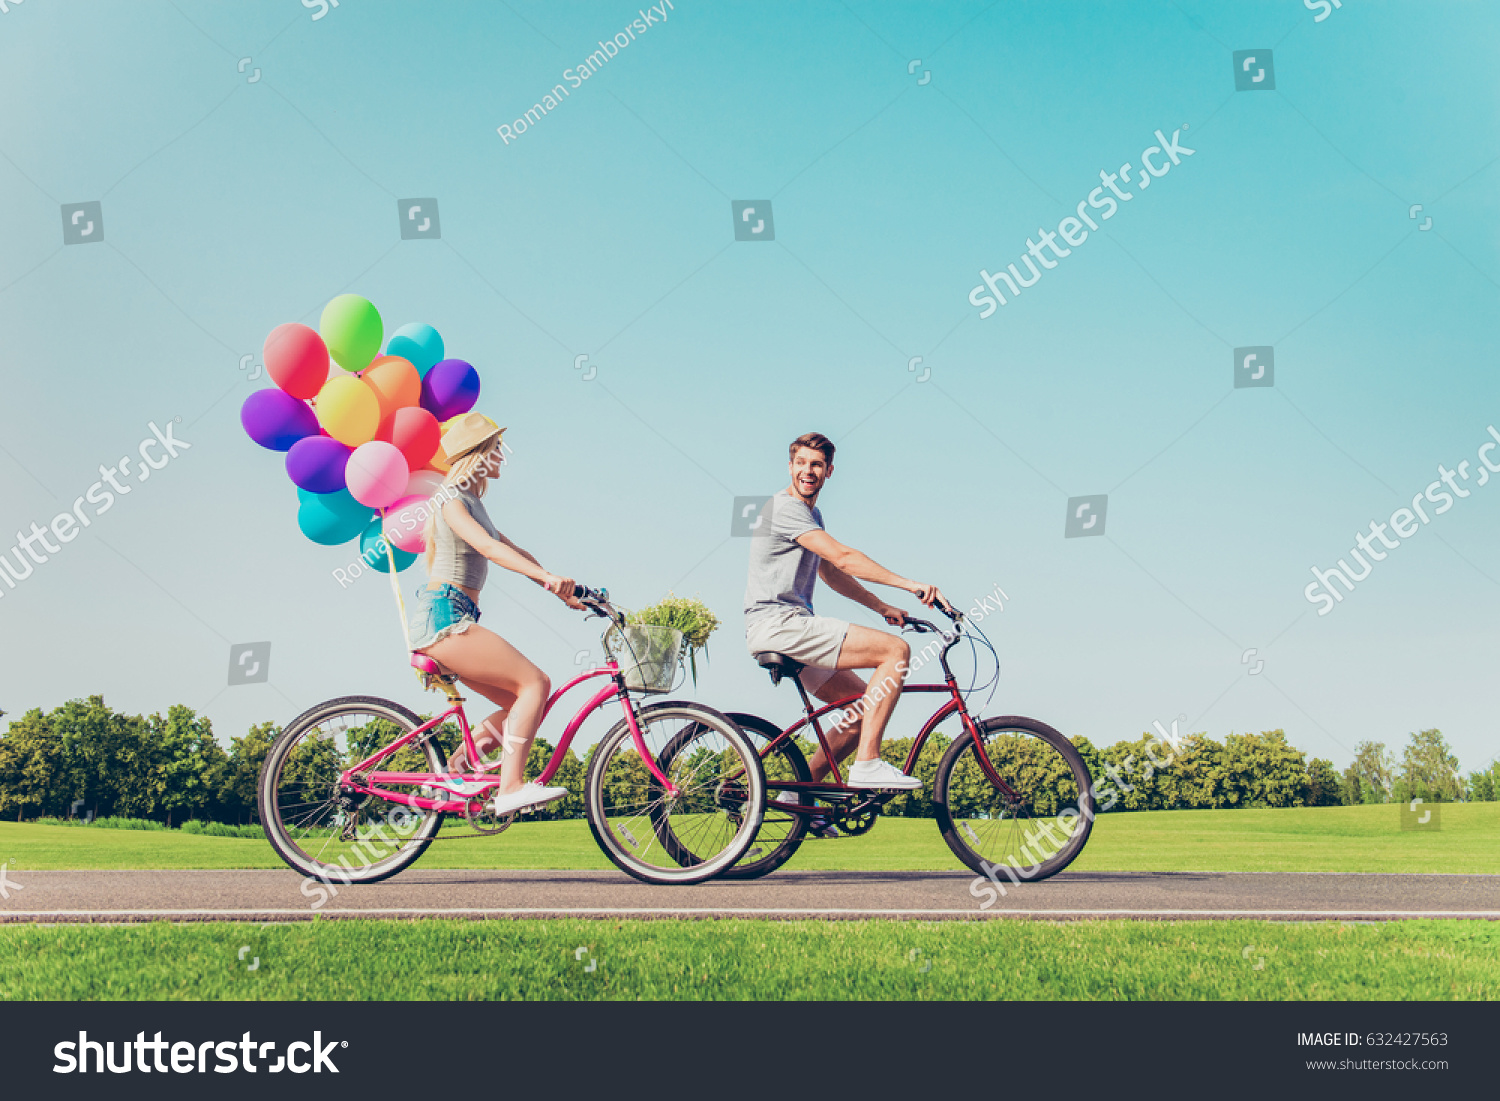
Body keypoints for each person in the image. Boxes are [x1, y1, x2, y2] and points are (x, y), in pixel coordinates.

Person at [744, 431, 951, 795]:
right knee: (895, 651)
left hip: (791, 627)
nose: (808, 471)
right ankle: (868, 765)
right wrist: (910, 584)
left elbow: (830, 572)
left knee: (859, 712)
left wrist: (881, 606)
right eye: (802, 463)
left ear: (829, 471)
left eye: (817, 465)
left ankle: (797, 797)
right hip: (780, 625)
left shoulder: (812, 514)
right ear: (790, 466)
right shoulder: (784, 508)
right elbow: (843, 557)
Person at [406, 412, 577, 816]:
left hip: (457, 615)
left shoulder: (473, 502)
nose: (502, 455)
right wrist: (548, 581)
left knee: (526, 699)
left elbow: (514, 549)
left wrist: (560, 587)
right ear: (477, 455)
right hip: (445, 619)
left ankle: (464, 762)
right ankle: (510, 787)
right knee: (536, 682)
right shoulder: (449, 499)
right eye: (495, 448)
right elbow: (489, 548)